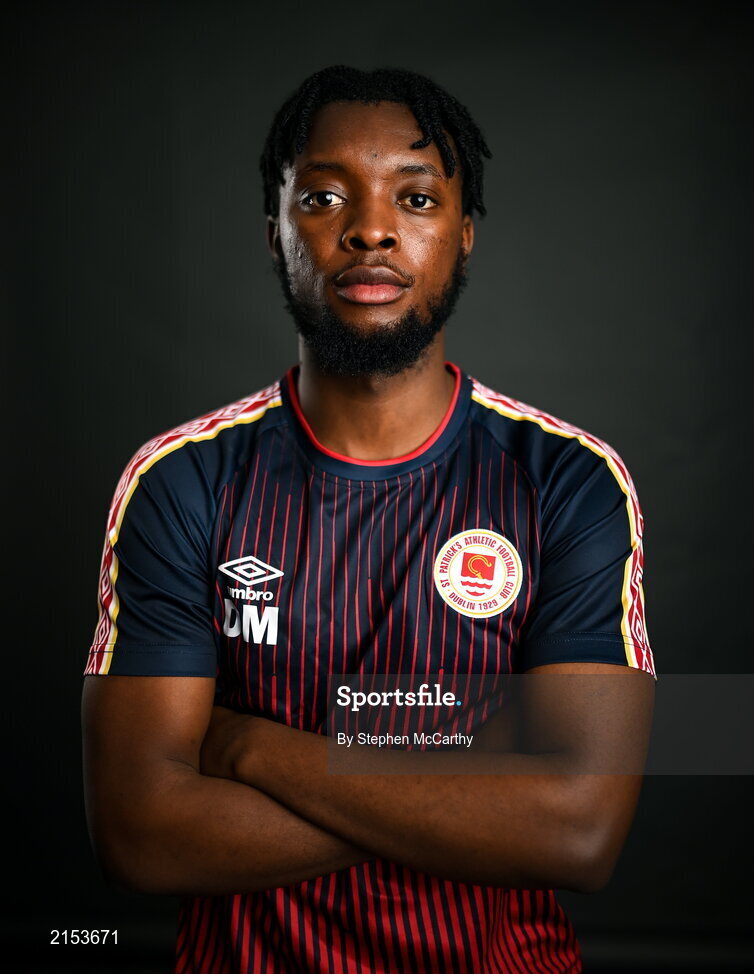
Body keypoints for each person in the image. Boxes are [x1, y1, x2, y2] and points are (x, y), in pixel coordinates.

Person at [82, 65, 656, 973]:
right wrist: (472, 779)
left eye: (416, 198)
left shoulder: (569, 481)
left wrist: (252, 747)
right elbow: (141, 837)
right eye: (322, 197)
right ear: (275, 233)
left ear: (464, 235)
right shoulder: (182, 482)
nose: (372, 229)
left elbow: (577, 831)